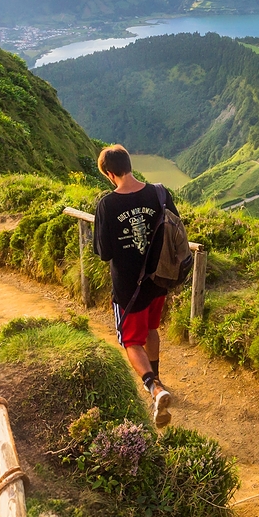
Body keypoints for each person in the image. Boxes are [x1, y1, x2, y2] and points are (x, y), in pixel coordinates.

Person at [92, 144, 177, 427]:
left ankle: (155, 388)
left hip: (129, 288)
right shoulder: (159, 192)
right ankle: (159, 378)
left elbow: (103, 253)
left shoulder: (107, 204)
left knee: (130, 340)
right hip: (158, 280)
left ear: (108, 173)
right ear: (129, 164)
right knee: (152, 329)